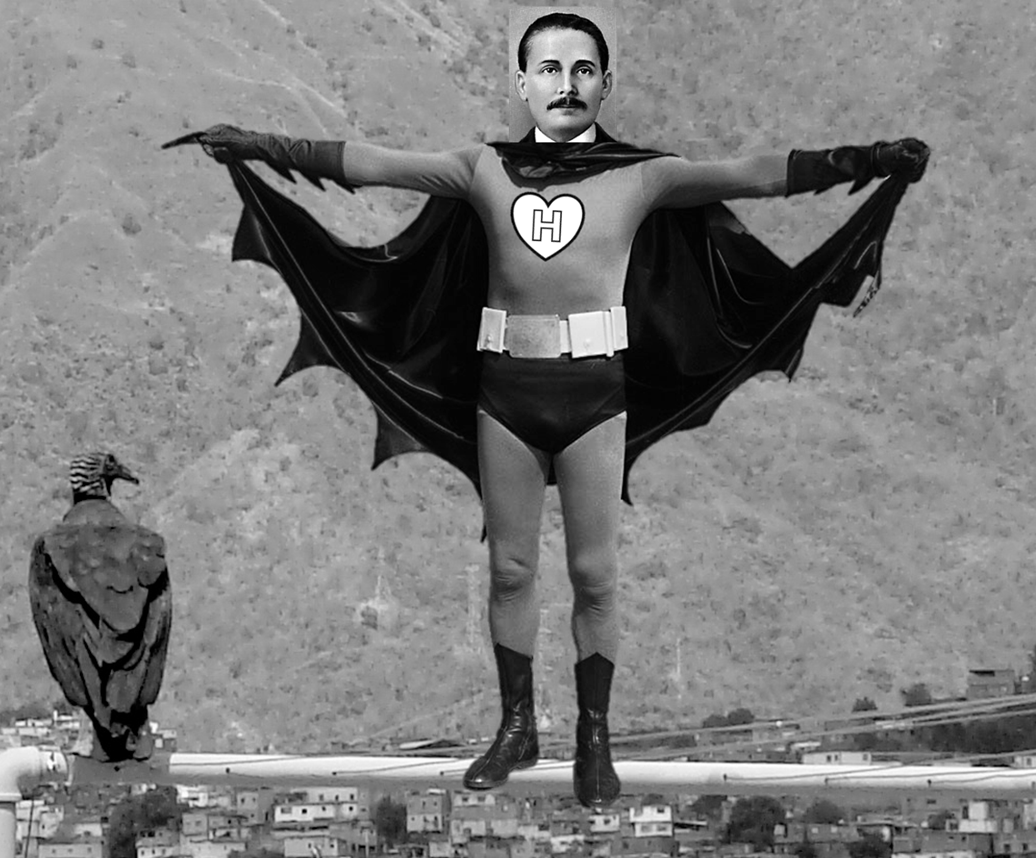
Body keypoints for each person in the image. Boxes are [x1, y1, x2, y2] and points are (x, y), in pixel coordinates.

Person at [169, 12, 928, 809]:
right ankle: (517, 724)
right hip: (505, 394)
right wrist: (262, 145)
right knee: (510, 568)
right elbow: (372, 164)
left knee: (595, 573)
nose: (566, 84)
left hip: (597, 395)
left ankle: (594, 735)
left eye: (583, 70)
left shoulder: (643, 176)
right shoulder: (483, 168)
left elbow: (752, 173)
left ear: (606, 83)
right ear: (523, 83)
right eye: (550, 69)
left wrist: (869, 160)